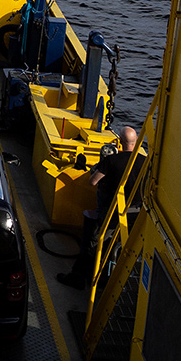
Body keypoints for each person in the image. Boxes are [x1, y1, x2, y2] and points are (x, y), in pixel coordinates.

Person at [58, 123, 142, 289]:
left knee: (94, 243)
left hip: (113, 214)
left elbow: (93, 181)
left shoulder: (112, 160)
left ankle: (78, 278)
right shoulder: (145, 161)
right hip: (134, 216)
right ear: (137, 141)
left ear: (119, 142)